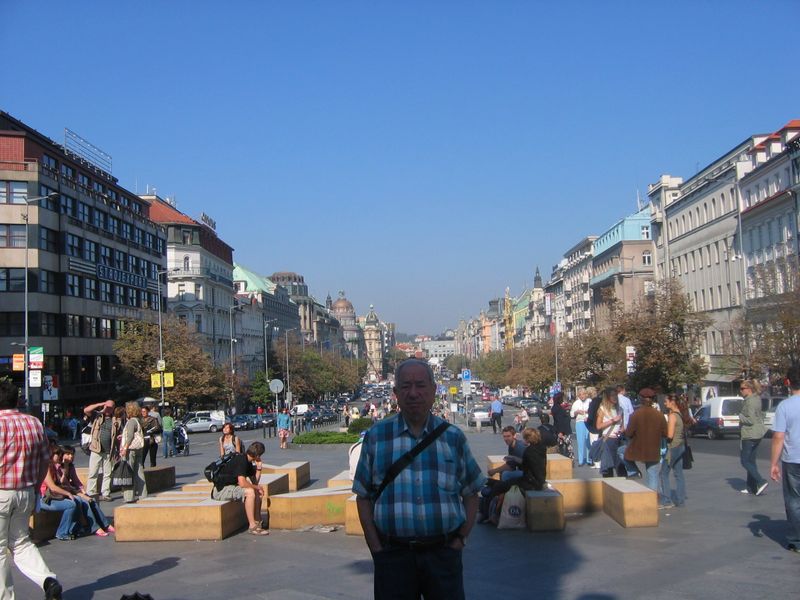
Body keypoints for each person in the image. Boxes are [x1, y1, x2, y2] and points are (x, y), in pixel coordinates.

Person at [353, 359, 483, 600]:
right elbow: (363, 496)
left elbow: (472, 492)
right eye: (406, 386)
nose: (413, 393)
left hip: (443, 555)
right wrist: (377, 549)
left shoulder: (453, 438)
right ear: (396, 394)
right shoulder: (376, 437)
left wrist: (460, 541)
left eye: (421, 385)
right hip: (393, 556)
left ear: (434, 391)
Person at [0, 379, 63, 599]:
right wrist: (36, 489)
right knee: (21, 542)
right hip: (26, 491)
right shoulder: (33, 423)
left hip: (1, 492)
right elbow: (44, 459)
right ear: (16, 399)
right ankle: (48, 580)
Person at [770, 368, 800, 552]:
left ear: (788, 382)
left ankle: (797, 541)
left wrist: (774, 463)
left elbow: (778, 437)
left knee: (794, 501)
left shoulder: (784, 406)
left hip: (792, 460)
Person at [211, 441, 269, 535]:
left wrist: (259, 468)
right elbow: (242, 483)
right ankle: (252, 526)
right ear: (258, 455)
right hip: (221, 490)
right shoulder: (241, 460)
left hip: (231, 487)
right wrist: (256, 487)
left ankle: (258, 521)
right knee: (250, 492)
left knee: (256, 491)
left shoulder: (248, 461)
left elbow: (255, 482)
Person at [56, 445, 114, 536]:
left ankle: (105, 524)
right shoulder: (58, 466)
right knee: (84, 502)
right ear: (61, 455)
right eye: (67, 454)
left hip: (70, 490)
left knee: (91, 500)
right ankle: (94, 528)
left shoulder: (71, 466)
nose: (71, 456)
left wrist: (83, 491)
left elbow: (76, 481)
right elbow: (62, 482)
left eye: (72, 454)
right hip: (61, 492)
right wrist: (80, 494)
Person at [623, 388, 667, 491]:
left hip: (637, 449)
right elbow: (665, 433)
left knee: (621, 452)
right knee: (653, 475)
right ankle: (654, 500)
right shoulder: (659, 415)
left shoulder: (635, 415)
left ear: (640, 399)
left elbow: (629, 433)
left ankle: (634, 471)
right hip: (654, 450)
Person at [38, 443, 81, 541]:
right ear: (51, 455)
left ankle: (72, 530)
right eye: (58, 454)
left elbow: (61, 482)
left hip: (53, 496)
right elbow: (52, 487)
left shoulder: (53, 467)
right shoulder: (45, 467)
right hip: (44, 499)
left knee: (77, 501)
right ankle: (62, 533)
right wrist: (68, 493)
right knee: (71, 505)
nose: (60, 457)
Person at [84, 400, 122, 502]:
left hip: (109, 451)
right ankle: (91, 493)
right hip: (96, 449)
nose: (108, 409)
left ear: (114, 408)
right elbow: (86, 410)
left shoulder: (116, 420)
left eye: (111, 408)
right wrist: (100, 405)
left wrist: (118, 450)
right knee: (93, 472)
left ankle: (106, 493)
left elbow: (117, 437)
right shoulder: (97, 416)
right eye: (107, 407)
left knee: (108, 473)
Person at [739, 379, 768, 496]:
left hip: (750, 433)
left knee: (745, 461)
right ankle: (752, 487)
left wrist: (740, 417)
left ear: (749, 389)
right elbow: (761, 415)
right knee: (751, 461)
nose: (740, 391)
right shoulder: (757, 398)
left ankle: (760, 481)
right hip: (758, 433)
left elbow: (750, 420)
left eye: (742, 389)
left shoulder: (749, 402)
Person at [659, 394, 688, 508]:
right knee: (678, 473)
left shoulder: (672, 416)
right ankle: (680, 500)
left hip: (673, 447)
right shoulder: (680, 414)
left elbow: (670, 435)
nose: (665, 403)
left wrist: (662, 432)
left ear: (672, 402)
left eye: (666, 401)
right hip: (681, 446)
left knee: (663, 473)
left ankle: (666, 500)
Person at [119, 401, 148, 504]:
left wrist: (125, 448)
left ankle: (129, 496)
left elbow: (130, 436)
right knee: (139, 472)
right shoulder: (138, 420)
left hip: (130, 450)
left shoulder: (131, 421)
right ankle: (143, 495)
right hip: (138, 448)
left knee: (128, 473)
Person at [593, 387, 623, 477]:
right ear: (607, 397)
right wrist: (612, 421)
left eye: (616, 395)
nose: (615, 397)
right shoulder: (603, 409)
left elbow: (622, 425)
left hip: (618, 440)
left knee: (621, 468)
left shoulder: (619, 409)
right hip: (608, 440)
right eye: (612, 395)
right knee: (608, 469)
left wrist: (622, 429)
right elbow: (598, 426)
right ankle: (608, 489)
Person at [571, 387, 592, 466]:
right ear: (578, 396)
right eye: (580, 395)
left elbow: (593, 411)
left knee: (588, 441)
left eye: (583, 394)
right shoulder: (576, 403)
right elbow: (572, 414)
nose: (582, 396)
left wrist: (587, 412)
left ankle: (589, 459)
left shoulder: (590, 401)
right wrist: (577, 411)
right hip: (580, 422)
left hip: (588, 422)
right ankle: (580, 460)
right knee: (580, 441)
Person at [550, 392, 573, 460]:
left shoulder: (557, 407)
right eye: (562, 398)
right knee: (566, 447)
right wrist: (560, 432)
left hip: (562, 430)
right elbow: (559, 421)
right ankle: (567, 460)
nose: (563, 400)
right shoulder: (558, 408)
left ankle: (565, 459)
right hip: (563, 431)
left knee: (563, 447)